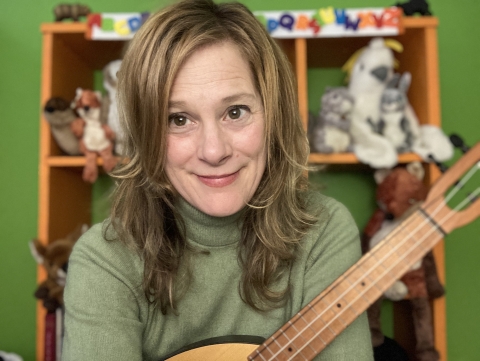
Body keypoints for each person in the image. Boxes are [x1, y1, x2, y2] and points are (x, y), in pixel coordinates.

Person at [62, 0, 374, 360]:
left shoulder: (324, 231)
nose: (213, 151)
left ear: (274, 115)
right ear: (147, 132)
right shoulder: (104, 261)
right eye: (178, 119)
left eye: (235, 112)